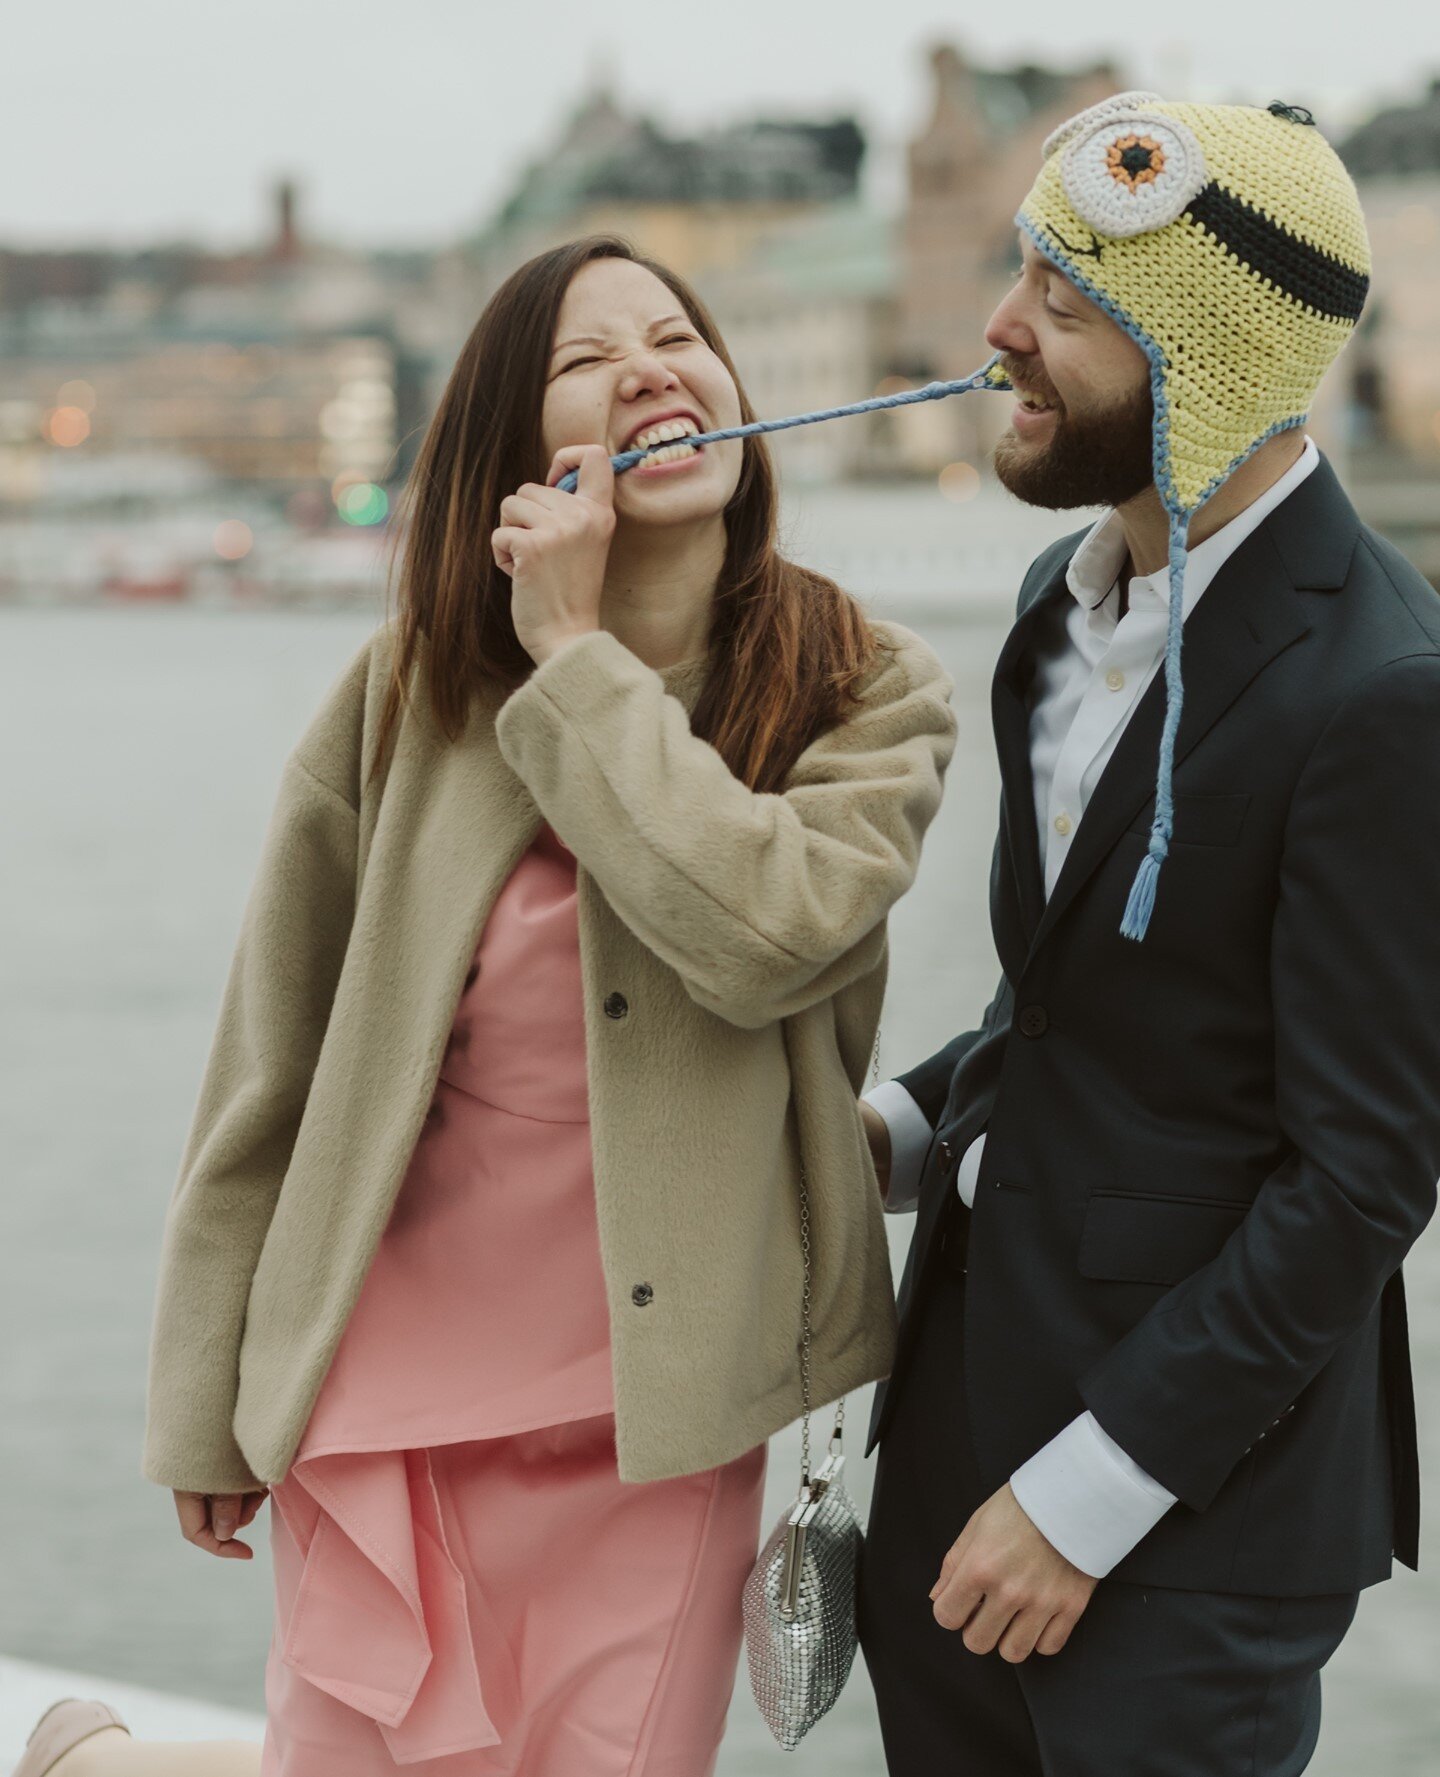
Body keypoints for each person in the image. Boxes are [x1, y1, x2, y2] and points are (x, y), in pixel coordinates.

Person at [13, 235, 957, 1777]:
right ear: (517, 451)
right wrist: (202, 1391)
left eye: (677, 336)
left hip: (663, 1415)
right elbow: (277, 1056)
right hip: (384, 1390)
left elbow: (767, 932)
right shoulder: (410, 689)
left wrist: (577, 659)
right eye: (588, 360)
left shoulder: (866, 682)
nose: (652, 366)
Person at [858, 93, 1440, 1776]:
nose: (997, 330)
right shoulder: (1057, 611)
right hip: (959, 1437)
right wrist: (889, 1130)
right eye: (1019, 272)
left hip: (1188, 1520)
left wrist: (1087, 1494)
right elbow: (1084, 1012)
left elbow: (1366, 1177)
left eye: (1065, 297)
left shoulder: (1388, 695)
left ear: (1210, 358)